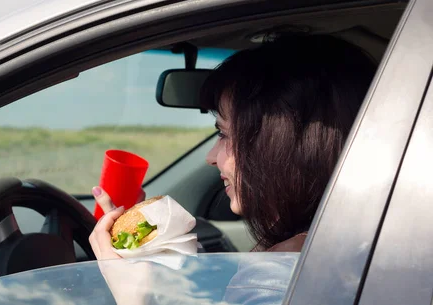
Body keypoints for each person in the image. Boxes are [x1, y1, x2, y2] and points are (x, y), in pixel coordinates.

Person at [89, 34, 376, 303]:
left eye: (224, 134)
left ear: (279, 146)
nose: (211, 157)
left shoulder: (275, 281)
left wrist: (134, 297)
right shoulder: (354, 249)